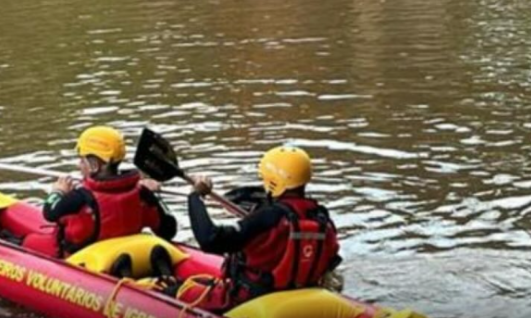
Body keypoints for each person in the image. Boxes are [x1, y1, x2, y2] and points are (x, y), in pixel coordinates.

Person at [170, 145, 341, 312]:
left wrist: (195, 196)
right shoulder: (323, 220)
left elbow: (210, 239)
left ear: (273, 181)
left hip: (250, 304)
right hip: (304, 303)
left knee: (173, 290)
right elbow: (331, 261)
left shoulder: (267, 218)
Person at [21, 126, 177, 258]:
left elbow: (49, 212)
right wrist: (155, 197)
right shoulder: (142, 193)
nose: (78, 165)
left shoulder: (79, 198)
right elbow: (168, 230)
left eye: (82, 160)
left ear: (94, 164)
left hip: (83, 258)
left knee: (27, 241)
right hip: (126, 254)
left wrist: (58, 192)